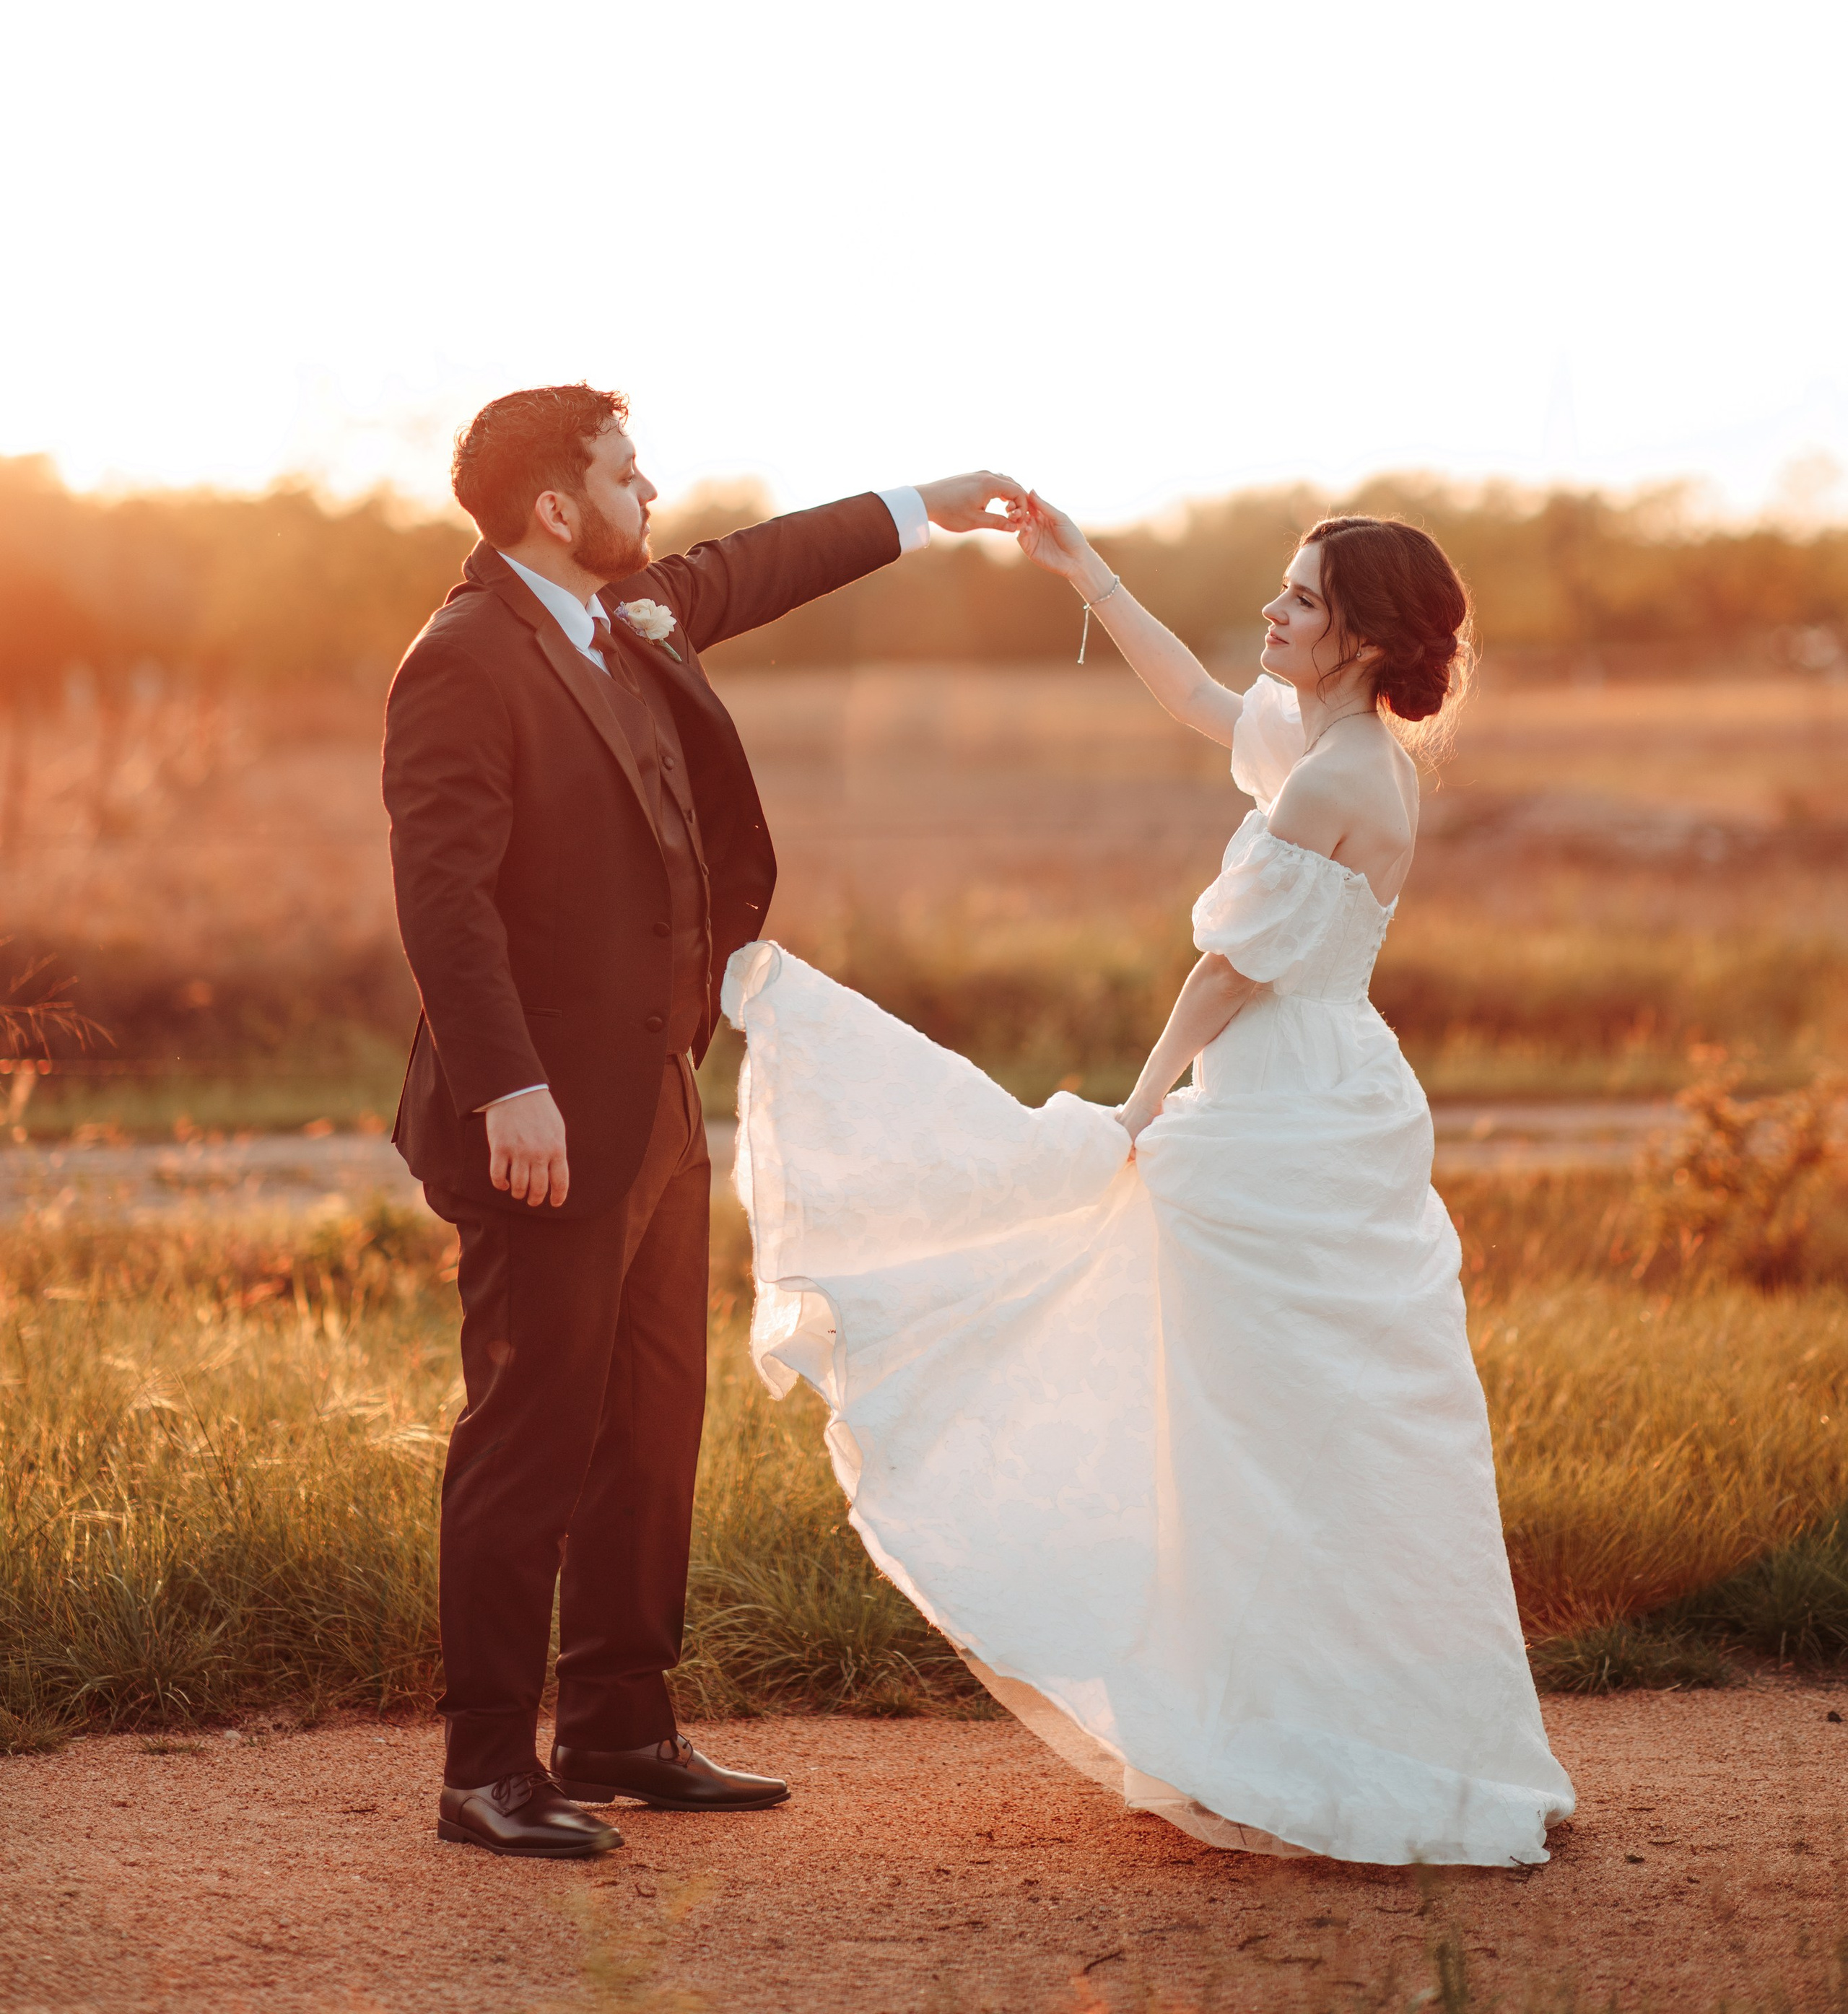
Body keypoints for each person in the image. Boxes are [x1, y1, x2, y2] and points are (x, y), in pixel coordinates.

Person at [723, 503, 1576, 1868]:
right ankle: (1336, 1717)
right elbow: (1192, 696)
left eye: (1300, 602)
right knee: (1314, 1430)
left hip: (1285, 1110)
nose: (1273, 617)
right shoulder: (1341, 747)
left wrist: (1132, 1106)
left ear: (1361, 635)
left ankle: (1318, 1736)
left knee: (1257, 1414)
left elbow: (1232, 971)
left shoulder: (1333, 779)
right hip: (1335, 1091)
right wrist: (1087, 572)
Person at [383, 380, 1024, 1857]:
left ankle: (616, 1723)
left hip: (659, 1104)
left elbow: (761, 563)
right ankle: (486, 1771)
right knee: (529, 1437)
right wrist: (507, 1087)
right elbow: (443, 899)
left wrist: (933, 504)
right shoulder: (465, 661)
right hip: (535, 1121)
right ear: (557, 506)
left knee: (651, 1423)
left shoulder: (627, 614)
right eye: (624, 472)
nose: (650, 491)